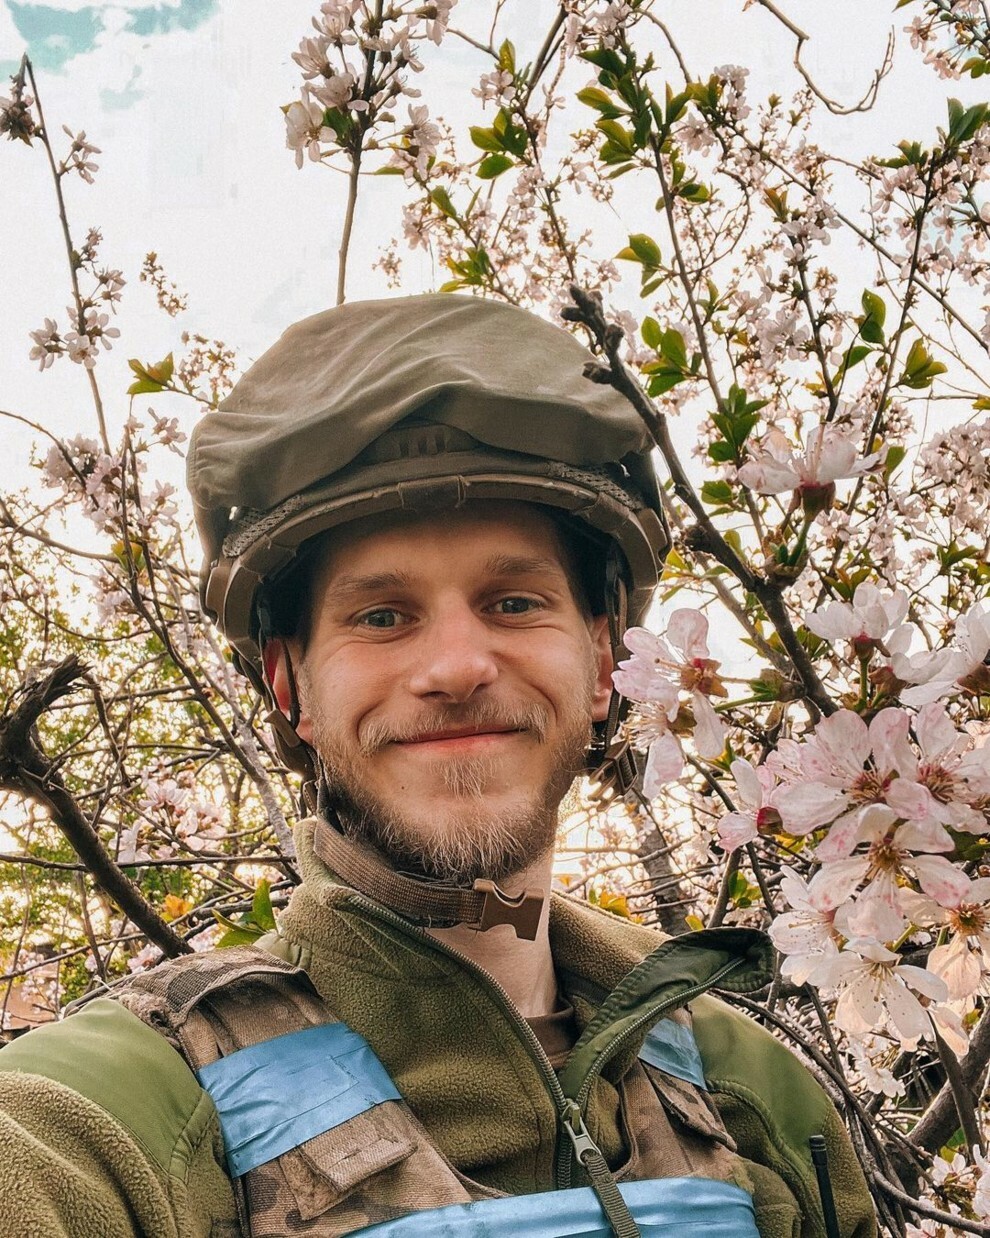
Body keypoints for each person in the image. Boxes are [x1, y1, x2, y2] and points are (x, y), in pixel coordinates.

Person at [0, 295, 876, 1238]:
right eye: (382, 616)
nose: (457, 668)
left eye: (514, 602)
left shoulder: (757, 1095)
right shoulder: (111, 1116)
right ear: (289, 685)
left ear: (601, 662)